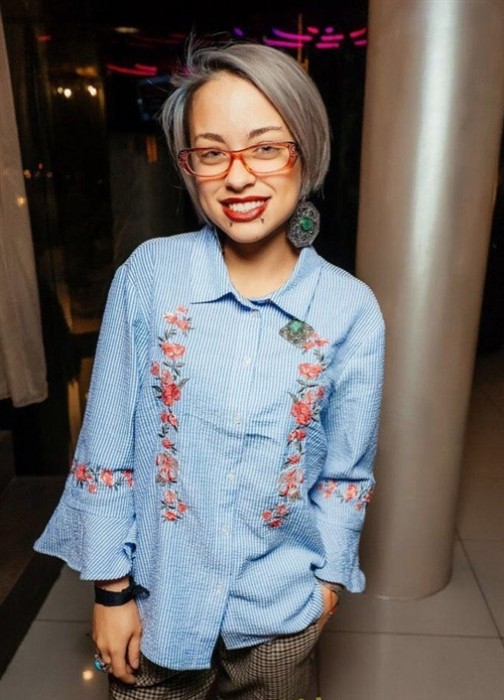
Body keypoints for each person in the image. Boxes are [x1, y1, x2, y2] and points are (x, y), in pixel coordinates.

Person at [34, 35, 386, 700]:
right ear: (188, 166)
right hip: (155, 610)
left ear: (306, 152)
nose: (238, 176)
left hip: (281, 618)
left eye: (266, 147)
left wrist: (328, 583)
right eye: (211, 152)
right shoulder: (150, 276)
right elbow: (106, 445)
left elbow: (346, 470)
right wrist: (111, 592)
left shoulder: (349, 309)